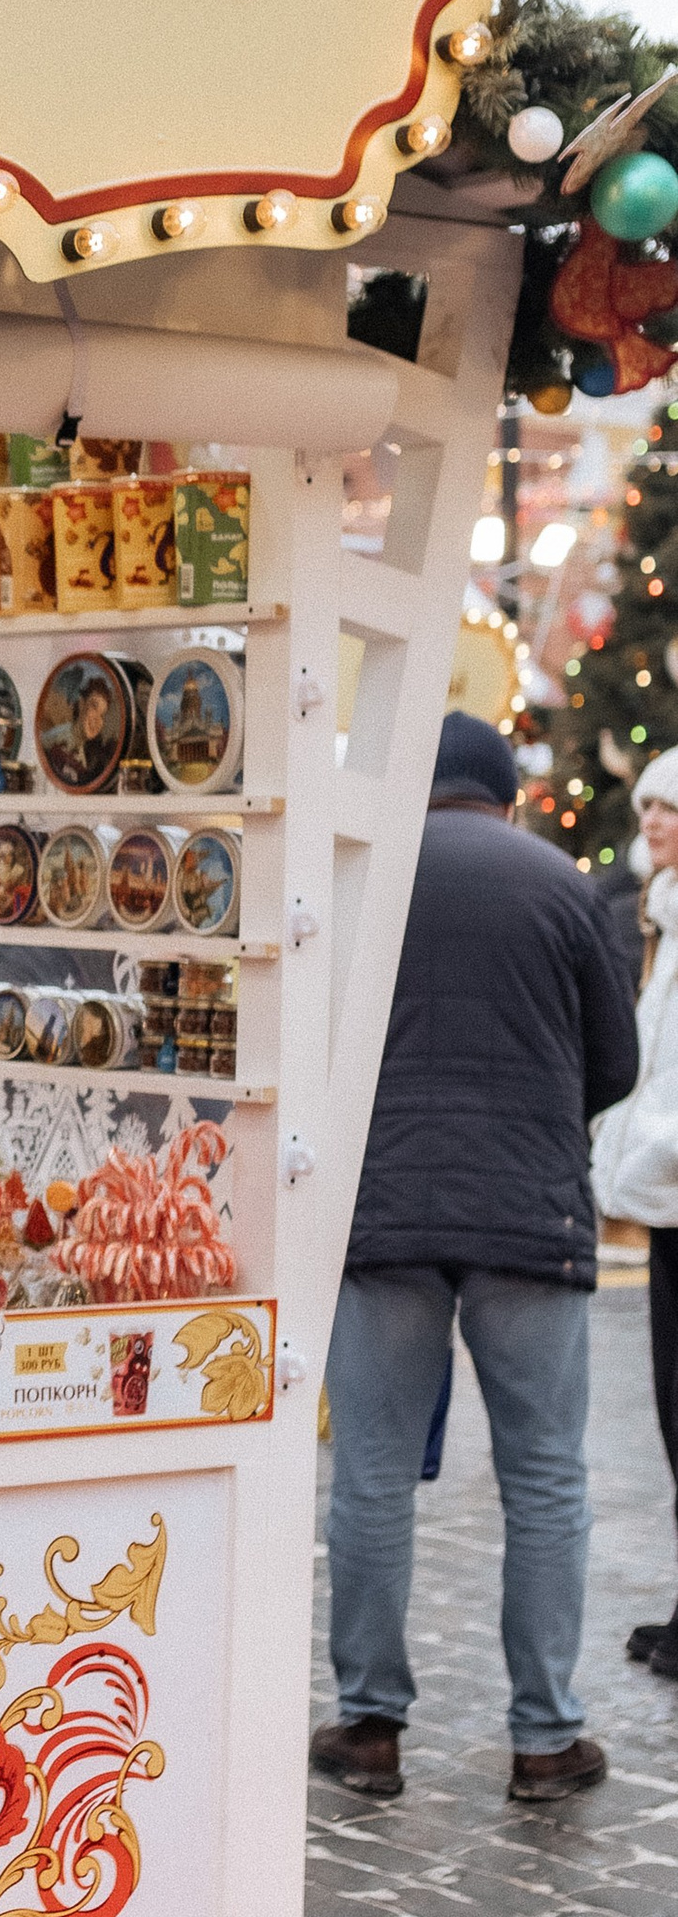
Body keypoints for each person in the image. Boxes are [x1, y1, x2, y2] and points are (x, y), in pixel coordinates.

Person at [312, 710, 637, 1810]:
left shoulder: (365, 881)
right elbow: (615, 1061)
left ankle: (368, 1728)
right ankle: (544, 1739)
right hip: (527, 1221)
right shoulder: (562, 885)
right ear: (505, 796)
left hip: (384, 1212)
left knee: (368, 1473)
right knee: (544, 1477)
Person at [592, 747, 678, 1675]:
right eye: (647, 805)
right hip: (664, 1204)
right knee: (670, 1415)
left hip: (671, 1184)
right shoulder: (661, 920)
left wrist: (649, 1153)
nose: (651, 822)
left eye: (670, 809)